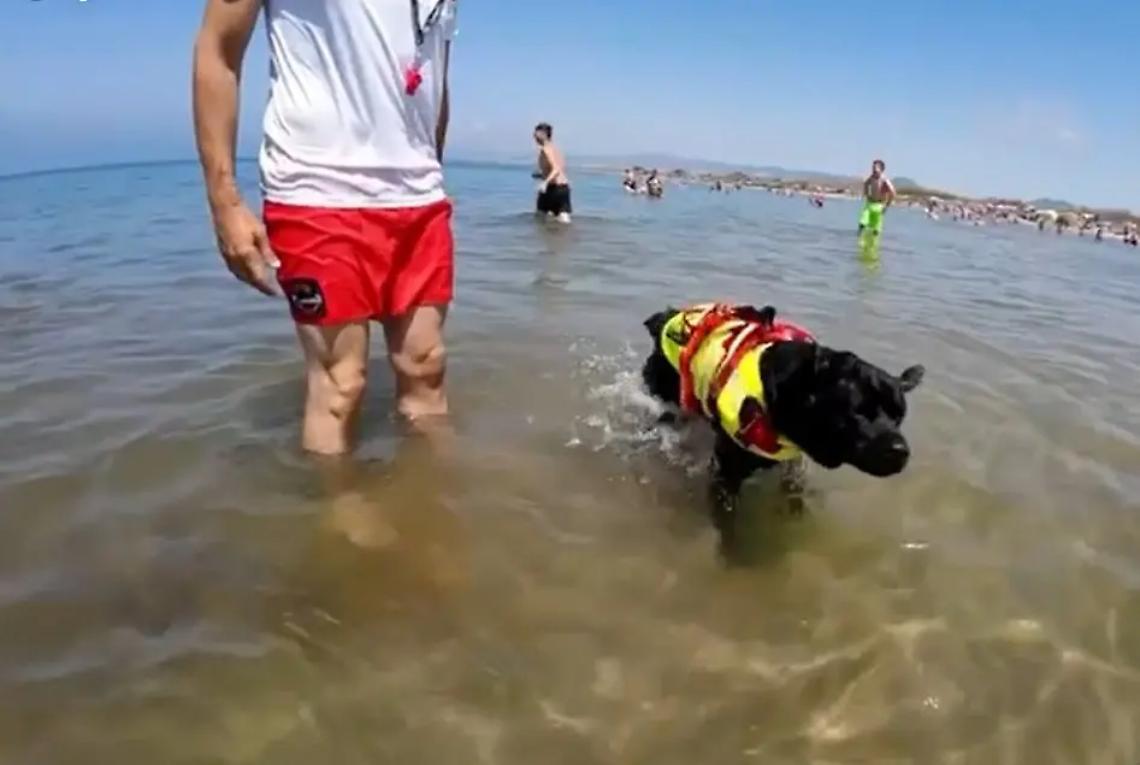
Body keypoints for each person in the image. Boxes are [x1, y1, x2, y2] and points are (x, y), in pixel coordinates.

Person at [193, 0, 458, 456]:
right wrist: (225, 200)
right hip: (316, 189)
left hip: (417, 195)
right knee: (341, 383)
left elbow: (434, 78)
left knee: (425, 365)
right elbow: (218, 50)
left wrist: (430, 173)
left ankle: (433, 506)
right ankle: (339, 516)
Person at [533, 123, 572, 223]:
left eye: (536, 133)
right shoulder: (556, 149)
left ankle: (544, 238)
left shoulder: (546, 149)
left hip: (552, 188)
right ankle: (566, 238)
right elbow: (559, 168)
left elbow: (556, 169)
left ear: (543, 134)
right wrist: (542, 175)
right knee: (564, 221)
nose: (534, 136)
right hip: (563, 189)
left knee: (540, 218)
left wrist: (545, 182)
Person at [859, 159, 896, 237]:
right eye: (872, 168)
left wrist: (887, 205)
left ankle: (873, 240)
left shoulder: (884, 180)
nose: (872, 169)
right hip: (869, 204)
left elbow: (893, 192)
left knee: (876, 228)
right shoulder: (872, 177)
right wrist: (866, 194)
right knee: (862, 223)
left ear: (881, 169)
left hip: (879, 205)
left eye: (875, 168)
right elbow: (866, 183)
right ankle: (859, 238)